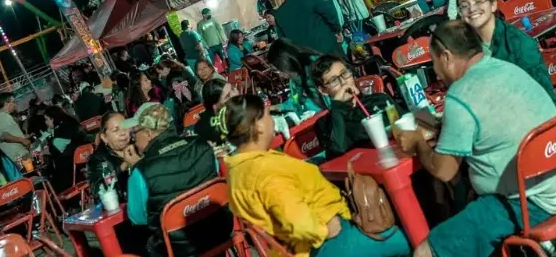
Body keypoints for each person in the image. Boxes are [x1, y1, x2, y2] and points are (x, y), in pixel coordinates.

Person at [393, 21, 556, 257]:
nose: (437, 72)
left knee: (424, 252)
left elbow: (444, 171)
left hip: (529, 203)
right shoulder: (507, 68)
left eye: (434, 63)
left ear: (446, 56)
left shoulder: (460, 96)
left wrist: (418, 143)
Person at [219, 95, 409, 257]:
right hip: (324, 245)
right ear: (258, 125)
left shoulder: (238, 169)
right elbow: (300, 222)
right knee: (411, 235)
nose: (273, 120)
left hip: (304, 245)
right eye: (269, 115)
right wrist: (325, 230)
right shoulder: (265, 172)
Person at [124, 103, 227, 257]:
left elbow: (138, 218)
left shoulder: (141, 172)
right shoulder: (202, 145)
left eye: (134, 133)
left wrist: (138, 166)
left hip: (177, 249)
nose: (133, 139)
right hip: (219, 231)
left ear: (148, 133)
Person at [454, 0, 556, 111]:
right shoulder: (467, 48)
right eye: (464, 6)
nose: (472, 9)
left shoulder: (518, 42)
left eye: (478, 1)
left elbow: (541, 95)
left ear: (493, 5)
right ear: (460, 13)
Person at [312, 55, 402, 158]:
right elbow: (337, 152)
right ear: (323, 90)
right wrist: (337, 107)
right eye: (334, 80)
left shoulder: (379, 100)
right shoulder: (324, 123)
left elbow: (405, 126)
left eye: (344, 73)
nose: (343, 82)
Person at [272, 0, 343, 55]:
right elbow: (330, 14)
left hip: (305, 57)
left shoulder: (279, 13)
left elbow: (283, 40)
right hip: (328, 49)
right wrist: (337, 30)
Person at [87, 113, 141, 201]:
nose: (123, 133)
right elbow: (99, 192)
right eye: (116, 130)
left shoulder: (138, 147)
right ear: (104, 137)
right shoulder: (98, 160)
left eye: (125, 127)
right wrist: (123, 166)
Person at [267, 40, 325, 116]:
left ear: (286, 62)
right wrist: (276, 107)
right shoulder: (295, 79)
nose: (280, 75)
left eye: (279, 70)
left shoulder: (317, 70)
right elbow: (295, 100)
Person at [0, 92, 31, 167]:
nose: (15, 104)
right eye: (14, 102)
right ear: (6, 103)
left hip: (17, 156)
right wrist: (22, 140)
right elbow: (3, 135)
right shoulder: (2, 116)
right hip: (19, 156)